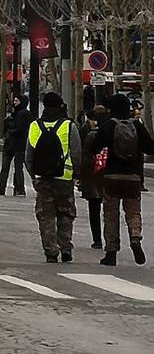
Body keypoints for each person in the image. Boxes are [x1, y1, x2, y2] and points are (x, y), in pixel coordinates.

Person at [90, 93, 154, 266]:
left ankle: (111, 252)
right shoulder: (137, 126)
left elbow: (94, 147)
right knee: (133, 211)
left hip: (111, 176)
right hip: (133, 176)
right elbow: (150, 148)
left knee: (111, 214)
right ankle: (135, 237)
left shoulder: (108, 125)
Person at [25, 91, 81, 263]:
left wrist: (33, 175)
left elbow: (29, 156)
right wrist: (76, 174)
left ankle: (50, 251)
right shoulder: (68, 126)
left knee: (46, 216)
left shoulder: (35, 126)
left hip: (43, 178)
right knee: (66, 213)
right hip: (65, 178)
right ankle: (65, 247)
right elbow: (76, 153)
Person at [0, 94, 31, 196]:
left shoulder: (23, 114)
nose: (14, 103)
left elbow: (20, 129)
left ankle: (15, 188)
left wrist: (10, 130)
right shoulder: (15, 114)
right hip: (12, 144)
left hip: (17, 144)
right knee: (11, 167)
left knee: (14, 168)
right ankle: (15, 188)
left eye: (17, 101)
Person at [78, 103, 106, 249]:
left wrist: (80, 178)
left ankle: (98, 239)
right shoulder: (112, 132)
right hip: (108, 177)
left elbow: (85, 158)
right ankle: (112, 240)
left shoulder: (90, 135)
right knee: (110, 211)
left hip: (93, 176)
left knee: (94, 210)